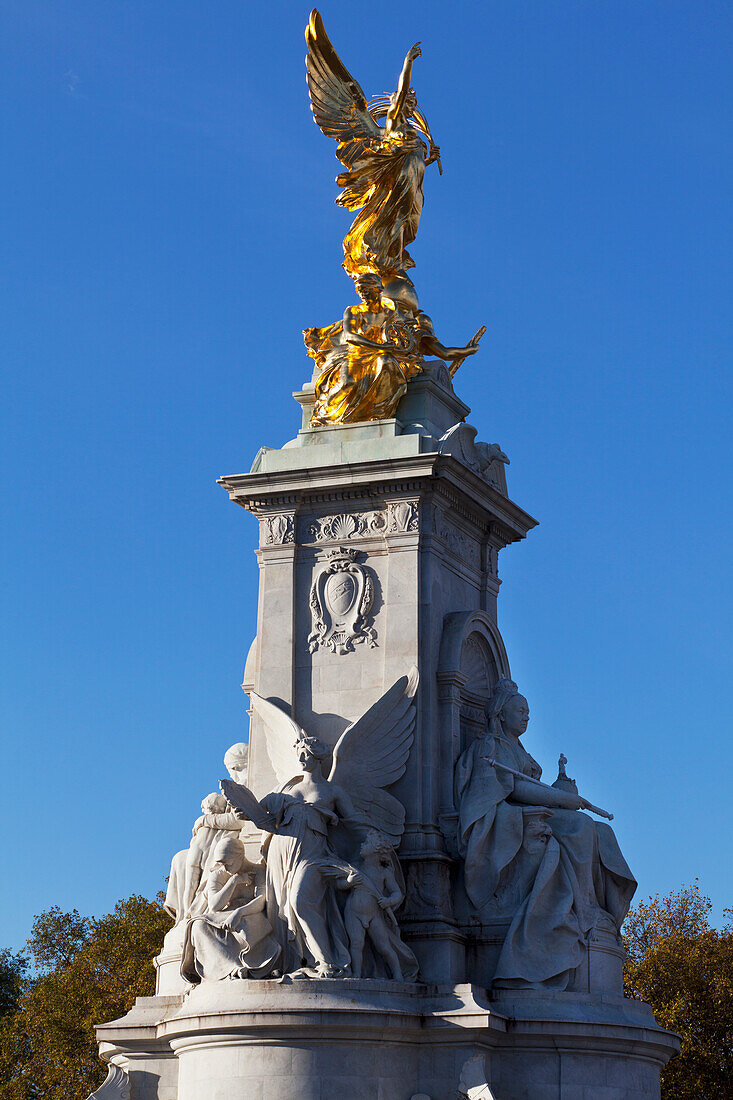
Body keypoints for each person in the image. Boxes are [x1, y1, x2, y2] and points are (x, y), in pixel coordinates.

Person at [454, 677, 637, 989]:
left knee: (602, 831)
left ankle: (600, 909)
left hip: (528, 813)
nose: (527, 716)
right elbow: (510, 790)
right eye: (520, 710)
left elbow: (533, 790)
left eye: (528, 711)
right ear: (501, 714)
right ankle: (583, 907)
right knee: (580, 825)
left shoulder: (519, 752)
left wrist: (561, 791)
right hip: (506, 821)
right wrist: (564, 800)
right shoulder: (489, 746)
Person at [306, 273, 423, 426]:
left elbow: (402, 331)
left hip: (381, 354)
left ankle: (379, 412)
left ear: (378, 289)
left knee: (387, 364)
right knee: (348, 382)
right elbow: (350, 337)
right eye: (360, 290)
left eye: (366, 289)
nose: (362, 294)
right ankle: (324, 413)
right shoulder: (354, 311)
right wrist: (381, 346)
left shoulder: (390, 311)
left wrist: (405, 341)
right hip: (356, 355)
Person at [180, 836, 280, 984]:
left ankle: (249, 964)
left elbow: (260, 901)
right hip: (224, 916)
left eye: (229, 863)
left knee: (245, 924)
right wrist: (234, 881)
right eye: (222, 864)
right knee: (198, 926)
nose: (226, 867)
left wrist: (239, 913)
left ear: (240, 855)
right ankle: (230, 967)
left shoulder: (259, 871)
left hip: (250, 914)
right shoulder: (219, 874)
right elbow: (214, 906)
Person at [324, 830, 419, 982]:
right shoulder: (355, 867)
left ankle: (398, 974)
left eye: (367, 843)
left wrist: (388, 901)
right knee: (356, 944)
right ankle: (357, 973)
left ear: (376, 851)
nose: (362, 845)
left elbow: (397, 893)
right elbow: (339, 885)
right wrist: (349, 881)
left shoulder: (384, 872)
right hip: (353, 911)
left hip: (374, 914)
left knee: (384, 947)